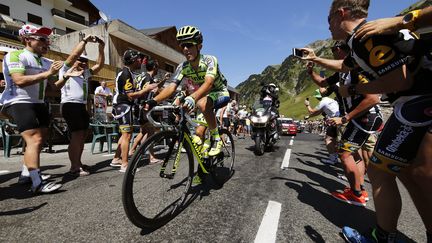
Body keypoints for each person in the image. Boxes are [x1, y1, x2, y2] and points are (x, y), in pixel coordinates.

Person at [303, 0, 432, 241]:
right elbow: (344, 65)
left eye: (328, 19)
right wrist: (316, 60)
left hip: (415, 102)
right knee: (412, 173)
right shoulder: (360, 40)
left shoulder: (365, 37)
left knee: (381, 170)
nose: (328, 27)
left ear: (341, 13)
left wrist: (351, 92)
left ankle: (382, 236)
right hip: (416, 102)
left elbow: (399, 82)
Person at [146, 25, 230, 186]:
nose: (185, 49)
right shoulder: (183, 67)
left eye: (189, 44)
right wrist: (153, 101)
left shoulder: (210, 60)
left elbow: (209, 82)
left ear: (199, 46)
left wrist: (192, 97)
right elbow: (171, 87)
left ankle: (217, 138)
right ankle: (203, 166)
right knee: (198, 136)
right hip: (201, 98)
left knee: (202, 102)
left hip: (219, 93)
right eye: (182, 45)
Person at [305, 41, 383, 208]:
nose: (332, 54)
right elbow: (323, 84)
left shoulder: (356, 68)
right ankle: (360, 188)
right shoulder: (341, 73)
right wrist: (311, 72)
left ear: (340, 50)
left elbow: (373, 98)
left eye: (334, 50)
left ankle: (356, 194)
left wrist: (345, 118)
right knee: (355, 155)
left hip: (364, 117)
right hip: (359, 118)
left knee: (345, 154)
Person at [0, 24, 63, 193]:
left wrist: (68, 76)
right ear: (27, 39)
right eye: (42, 39)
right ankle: (37, 183)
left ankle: (26, 174)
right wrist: (48, 74)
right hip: (17, 100)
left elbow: (52, 90)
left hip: (39, 102)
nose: (46, 43)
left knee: (39, 140)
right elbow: (19, 80)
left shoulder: (44, 61)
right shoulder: (15, 55)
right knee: (34, 139)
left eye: (47, 40)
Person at [54, 34, 105, 176]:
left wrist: (101, 47)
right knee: (77, 135)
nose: (83, 63)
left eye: (85, 61)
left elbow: (99, 65)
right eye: (80, 60)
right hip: (70, 105)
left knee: (82, 136)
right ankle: (74, 167)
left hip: (81, 106)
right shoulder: (65, 69)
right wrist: (84, 41)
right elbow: (74, 55)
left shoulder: (85, 74)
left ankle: (78, 162)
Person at [110, 50, 158, 172]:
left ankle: (116, 159)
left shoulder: (128, 72)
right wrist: (145, 90)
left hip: (122, 105)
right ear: (132, 60)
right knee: (127, 135)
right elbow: (131, 95)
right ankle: (125, 165)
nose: (140, 61)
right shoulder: (126, 73)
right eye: (138, 59)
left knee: (124, 135)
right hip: (123, 105)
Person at [304, 89, 340, 164]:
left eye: (317, 97)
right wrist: (309, 117)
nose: (316, 98)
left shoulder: (323, 101)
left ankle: (332, 159)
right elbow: (318, 112)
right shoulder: (330, 100)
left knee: (328, 139)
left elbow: (312, 111)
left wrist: (307, 105)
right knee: (335, 141)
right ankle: (335, 157)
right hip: (339, 119)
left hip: (334, 121)